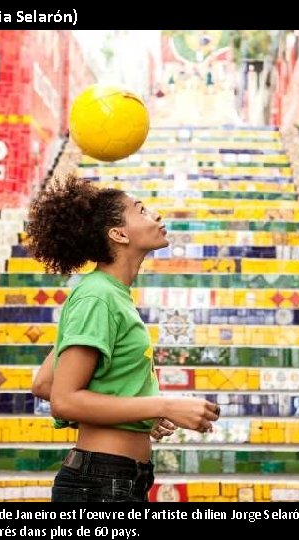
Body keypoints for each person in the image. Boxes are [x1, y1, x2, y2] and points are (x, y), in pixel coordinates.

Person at [28, 173, 220, 502]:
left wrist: (138, 415)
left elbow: (45, 383)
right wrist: (164, 405)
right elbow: (64, 398)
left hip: (119, 478)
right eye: (141, 210)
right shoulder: (98, 297)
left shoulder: (108, 294)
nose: (156, 215)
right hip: (101, 482)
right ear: (118, 234)